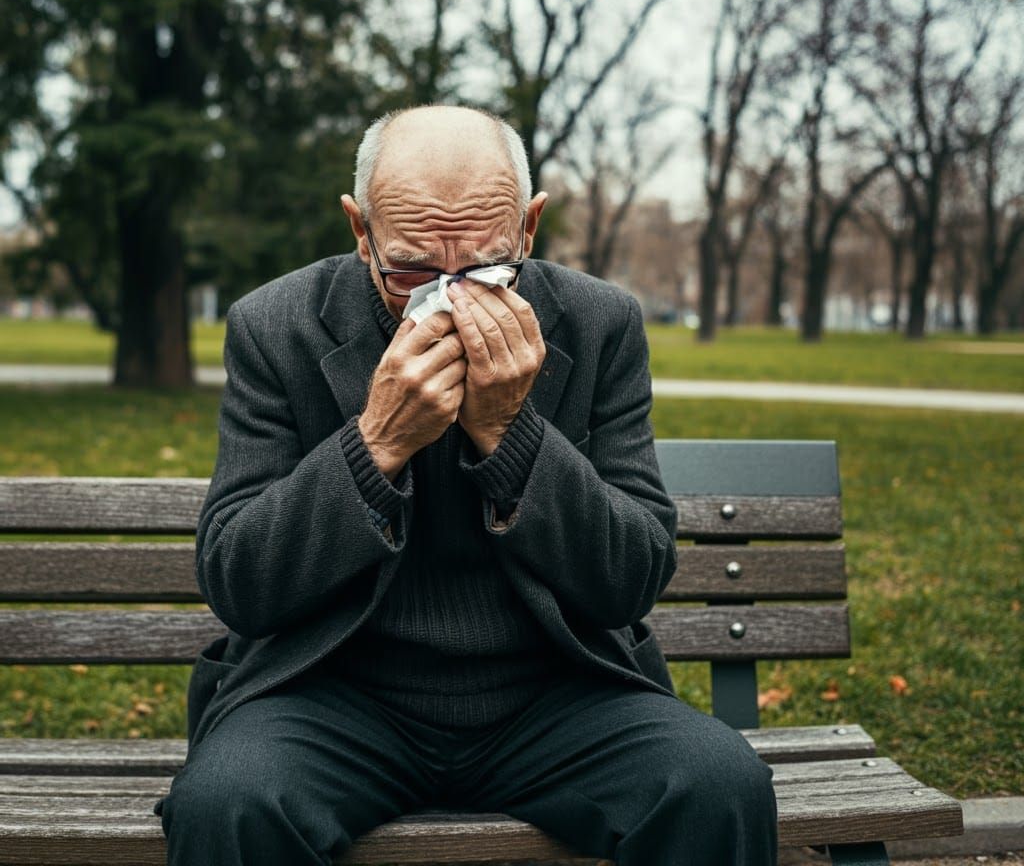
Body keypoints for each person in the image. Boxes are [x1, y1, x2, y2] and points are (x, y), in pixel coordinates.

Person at [156, 105, 777, 865]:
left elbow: (632, 579)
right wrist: (375, 443)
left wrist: (514, 436)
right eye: (412, 270)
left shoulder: (599, 323)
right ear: (361, 231)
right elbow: (239, 581)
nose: (447, 298)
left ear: (527, 228)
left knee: (718, 783)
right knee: (230, 803)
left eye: (485, 269)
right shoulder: (275, 326)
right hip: (331, 693)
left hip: (557, 692)